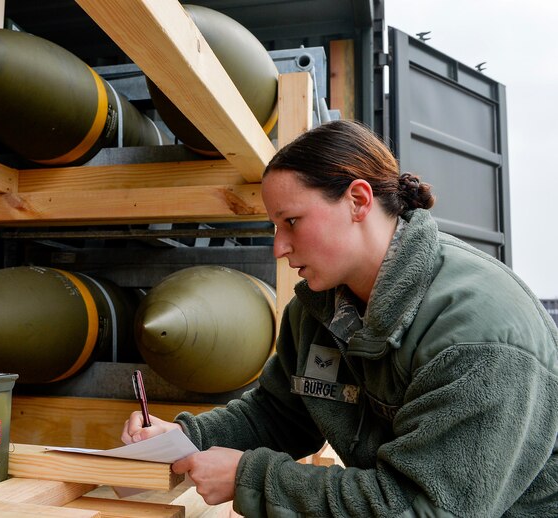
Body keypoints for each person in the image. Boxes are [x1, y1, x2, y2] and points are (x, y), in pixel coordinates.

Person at [122, 119, 558, 517]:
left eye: (292, 221)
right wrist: (184, 440)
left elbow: (422, 508)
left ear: (358, 200)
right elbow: (280, 414)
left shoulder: (479, 338)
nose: (279, 247)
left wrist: (250, 477)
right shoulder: (320, 310)